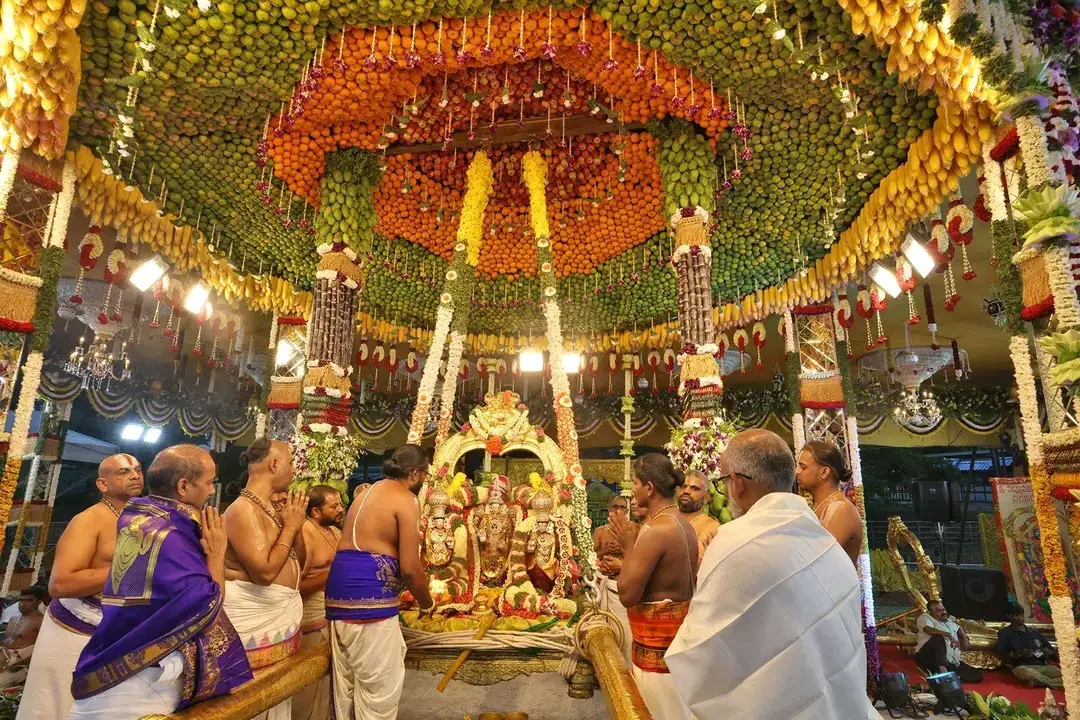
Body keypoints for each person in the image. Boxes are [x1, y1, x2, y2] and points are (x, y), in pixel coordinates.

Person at [666, 429, 878, 719]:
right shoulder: (820, 536)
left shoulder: (733, 539)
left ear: (737, 484)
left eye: (724, 481)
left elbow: (701, 647)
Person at [68, 445, 252, 719]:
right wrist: (215, 554)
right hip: (137, 683)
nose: (213, 491)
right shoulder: (170, 535)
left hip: (119, 661)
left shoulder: (143, 517)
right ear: (183, 486)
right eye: (209, 482)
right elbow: (207, 607)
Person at [17, 453, 142, 720]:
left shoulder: (143, 517)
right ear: (102, 484)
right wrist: (130, 567)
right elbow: (60, 584)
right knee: (58, 707)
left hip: (117, 631)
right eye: (123, 471)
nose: (134, 475)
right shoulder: (89, 520)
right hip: (74, 630)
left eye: (137, 469)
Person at [325, 445, 435, 720]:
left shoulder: (367, 492)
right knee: (379, 691)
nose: (424, 482)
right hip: (369, 598)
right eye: (425, 475)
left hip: (338, 594)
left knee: (348, 686)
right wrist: (427, 603)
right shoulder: (406, 499)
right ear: (415, 473)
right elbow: (410, 568)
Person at [606, 453, 697, 720]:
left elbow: (627, 594)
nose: (632, 491)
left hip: (656, 656)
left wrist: (628, 544)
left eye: (635, 483)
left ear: (649, 488)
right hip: (676, 650)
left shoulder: (655, 529)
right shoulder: (683, 523)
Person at [223, 438, 308, 720]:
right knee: (252, 704)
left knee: (275, 701)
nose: (294, 470)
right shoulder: (243, 509)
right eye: (291, 462)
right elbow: (265, 572)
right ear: (274, 464)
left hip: (278, 619)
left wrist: (293, 525)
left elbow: (298, 562)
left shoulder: (269, 507)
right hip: (254, 622)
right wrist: (291, 526)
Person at [293, 485, 344, 720]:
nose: (340, 509)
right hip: (312, 619)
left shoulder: (334, 532)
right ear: (315, 511)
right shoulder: (305, 532)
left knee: (330, 686)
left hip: (336, 616)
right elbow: (294, 587)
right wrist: (335, 571)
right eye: (334, 506)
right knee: (310, 688)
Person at [795, 440, 864, 563]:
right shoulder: (818, 505)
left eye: (803, 467)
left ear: (824, 472)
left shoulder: (840, 509)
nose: (797, 472)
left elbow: (816, 559)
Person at [592, 495, 636, 664]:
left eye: (622, 507)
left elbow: (638, 558)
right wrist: (604, 550)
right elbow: (590, 557)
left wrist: (625, 549)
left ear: (627, 511)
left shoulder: (634, 530)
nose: (618, 511)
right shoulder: (601, 532)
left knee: (624, 632)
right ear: (609, 510)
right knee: (605, 629)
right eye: (615, 507)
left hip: (622, 586)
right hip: (604, 585)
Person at [914, 599, 983, 683]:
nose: (943, 612)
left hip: (949, 661)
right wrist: (948, 635)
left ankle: (949, 676)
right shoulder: (925, 617)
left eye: (943, 609)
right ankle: (943, 671)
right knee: (938, 637)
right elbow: (928, 629)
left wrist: (964, 637)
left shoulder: (949, 622)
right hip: (927, 657)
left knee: (977, 675)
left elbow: (959, 629)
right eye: (938, 611)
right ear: (931, 612)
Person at [996, 602, 1060, 688]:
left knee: (1070, 676)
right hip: (1022, 667)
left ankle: (1043, 683)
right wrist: (1017, 653)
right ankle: (1050, 682)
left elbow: (1054, 656)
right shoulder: (1005, 633)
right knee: (1028, 674)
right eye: (1017, 616)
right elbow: (1000, 655)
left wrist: (1049, 653)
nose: (1021, 618)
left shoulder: (1034, 632)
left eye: (1022, 615)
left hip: (1043, 666)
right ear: (1009, 617)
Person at [0, 586, 45, 688]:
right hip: (3, 659)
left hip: (19, 666)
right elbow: (6, 640)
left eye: (28, 600)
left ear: (38, 602)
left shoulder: (41, 622)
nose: (22, 604)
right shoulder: (13, 619)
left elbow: (43, 648)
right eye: (21, 600)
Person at [677, 470, 719, 566]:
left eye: (694, 488)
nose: (686, 491)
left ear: (706, 497)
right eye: (684, 486)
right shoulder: (667, 517)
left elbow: (696, 565)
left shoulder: (711, 526)